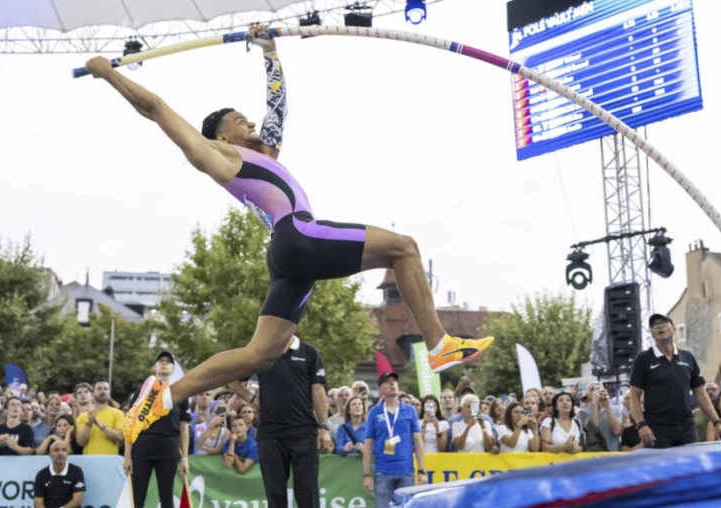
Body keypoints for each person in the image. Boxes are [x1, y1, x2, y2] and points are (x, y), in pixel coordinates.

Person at [82, 25, 496, 445]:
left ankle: (163, 396)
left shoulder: (262, 156)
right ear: (223, 136)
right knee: (404, 249)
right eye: (239, 120)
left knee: (259, 355)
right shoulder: (217, 155)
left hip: (288, 262)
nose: (249, 121)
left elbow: (277, 105)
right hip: (298, 235)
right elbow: (154, 107)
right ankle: (439, 342)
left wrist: (269, 52)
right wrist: (107, 73)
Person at [228, 334, 332, 508]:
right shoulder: (261, 352)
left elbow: (318, 391)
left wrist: (324, 428)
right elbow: (231, 378)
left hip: (304, 432)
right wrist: (252, 399)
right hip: (270, 433)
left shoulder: (309, 352)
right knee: (274, 493)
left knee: (307, 493)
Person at [629, 314, 721, 448]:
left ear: (674, 329)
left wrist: (717, 421)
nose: (658, 327)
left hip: (687, 428)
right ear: (652, 334)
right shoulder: (643, 359)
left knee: (689, 468)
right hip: (658, 429)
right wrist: (641, 425)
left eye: (663, 323)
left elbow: (700, 393)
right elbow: (634, 395)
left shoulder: (687, 357)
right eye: (654, 326)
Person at [125, 352, 191, 508]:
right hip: (142, 447)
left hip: (169, 448)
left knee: (167, 496)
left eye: (168, 362)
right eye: (160, 361)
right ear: (154, 367)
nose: (164, 363)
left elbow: (184, 428)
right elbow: (130, 425)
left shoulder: (179, 392)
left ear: (173, 368)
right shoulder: (141, 393)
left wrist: (185, 458)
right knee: (137, 496)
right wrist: (127, 456)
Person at [363, 371, 427, 508]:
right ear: (381, 389)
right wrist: (367, 474)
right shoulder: (374, 412)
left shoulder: (410, 410)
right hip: (383, 472)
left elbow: (418, 441)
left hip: (406, 471)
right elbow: (368, 444)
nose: (392, 384)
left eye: (394, 381)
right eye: (387, 381)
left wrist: (422, 470)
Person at [75, 380, 124, 455]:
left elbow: (119, 437)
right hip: (89, 460)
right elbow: (80, 442)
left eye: (105, 389)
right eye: (99, 389)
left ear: (109, 392)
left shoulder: (118, 413)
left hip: (110, 460)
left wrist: (100, 425)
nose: (103, 391)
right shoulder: (82, 416)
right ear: (92, 393)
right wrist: (89, 423)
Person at [33, 440, 86, 508]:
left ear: (67, 453)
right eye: (56, 450)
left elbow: (77, 500)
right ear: (50, 455)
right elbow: (38, 503)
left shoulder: (76, 471)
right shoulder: (41, 474)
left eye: (64, 450)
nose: (60, 453)